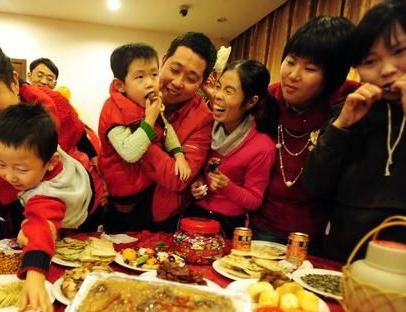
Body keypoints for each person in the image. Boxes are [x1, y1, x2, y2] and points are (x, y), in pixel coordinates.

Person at [304, 0, 406, 287]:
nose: (387, 70)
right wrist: (340, 128)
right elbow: (314, 185)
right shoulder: (350, 108)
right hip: (343, 266)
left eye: (401, 51)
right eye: (370, 62)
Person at [0, 36, 103, 233]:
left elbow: (81, 140)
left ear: (14, 82)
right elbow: (11, 196)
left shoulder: (55, 103)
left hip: (85, 198)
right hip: (33, 212)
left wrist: (101, 179)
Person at [248, 16, 360, 254]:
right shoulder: (267, 100)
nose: (293, 75)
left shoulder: (348, 106)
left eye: (310, 69)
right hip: (260, 227)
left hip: (315, 236)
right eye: (290, 61)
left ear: (333, 79)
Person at [0, 103, 104, 312]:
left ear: (52, 162)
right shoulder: (42, 148)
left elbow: (41, 229)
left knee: (29, 232)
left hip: (86, 213)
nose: (10, 176)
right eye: (1, 164)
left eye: (21, 169)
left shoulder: (48, 195)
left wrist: (34, 276)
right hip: (84, 187)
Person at [99, 43, 191, 231]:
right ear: (120, 85)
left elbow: (166, 128)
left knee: (144, 244)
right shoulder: (112, 111)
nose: (150, 83)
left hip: (146, 190)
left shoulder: (150, 103)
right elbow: (130, 152)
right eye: (140, 77)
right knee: (118, 245)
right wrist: (149, 119)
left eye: (154, 74)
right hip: (121, 198)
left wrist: (179, 155)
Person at [188, 60, 278, 238]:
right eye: (219, 87)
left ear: (251, 101)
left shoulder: (262, 146)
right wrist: (196, 182)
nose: (218, 96)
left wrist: (227, 186)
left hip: (228, 224)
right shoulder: (205, 126)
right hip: (194, 212)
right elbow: (197, 166)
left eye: (229, 91)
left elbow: (254, 200)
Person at [137, 32, 217, 230]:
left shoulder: (203, 119)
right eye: (174, 69)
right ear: (163, 60)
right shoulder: (134, 92)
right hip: (118, 205)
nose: (178, 82)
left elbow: (179, 178)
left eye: (191, 78)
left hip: (163, 216)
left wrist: (137, 140)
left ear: (202, 83)